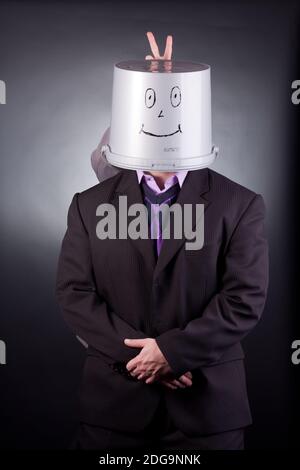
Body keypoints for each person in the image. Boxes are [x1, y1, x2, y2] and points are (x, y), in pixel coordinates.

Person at [56, 32, 269, 450]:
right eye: (149, 104)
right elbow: (74, 292)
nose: (162, 117)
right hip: (114, 412)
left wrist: (173, 353)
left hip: (208, 411)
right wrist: (145, 359)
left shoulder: (240, 205)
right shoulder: (89, 205)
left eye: (176, 102)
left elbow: (244, 298)